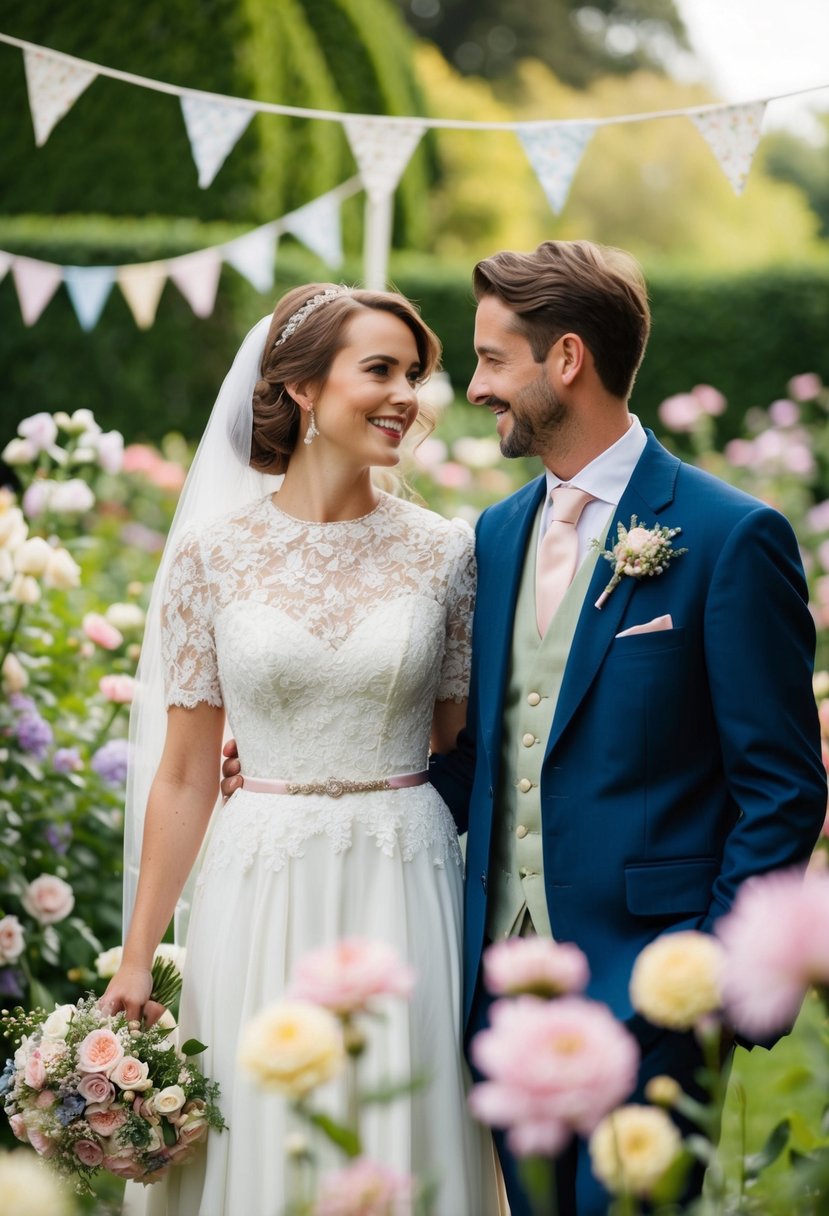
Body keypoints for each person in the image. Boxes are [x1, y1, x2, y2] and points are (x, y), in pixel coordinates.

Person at [225, 240, 827, 1214]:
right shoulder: (494, 537)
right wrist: (305, 766)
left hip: (649, 998)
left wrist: (702, 986)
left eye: (492, 359)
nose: (470, 387)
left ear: (567, 361)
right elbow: (484, 759)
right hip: (498, 997)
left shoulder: (729, 536)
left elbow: (782, 787)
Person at [103, 284, 502, 1215]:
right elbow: (185, 771)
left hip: (403, 876)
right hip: (258, 879)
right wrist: (137, 958)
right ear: (302, 389)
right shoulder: (211, 555)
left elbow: (457, 743)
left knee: (396, 1129)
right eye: (380, 370)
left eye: (416, 374)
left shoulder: (446, 553)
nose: (408, 394)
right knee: (262, 1128)